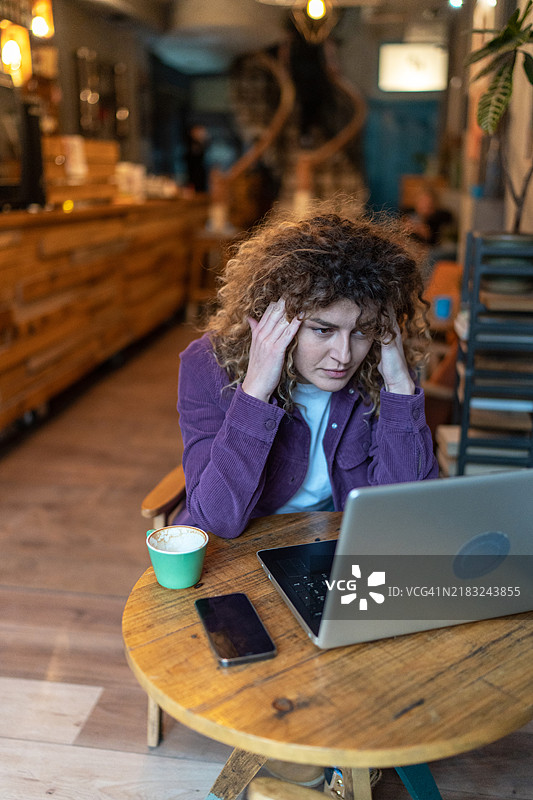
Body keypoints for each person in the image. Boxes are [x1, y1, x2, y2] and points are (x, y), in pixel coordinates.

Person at [174, 204, 439, 540]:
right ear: (276, 317)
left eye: (361, 330)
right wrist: (255, 392)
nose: (344, 356)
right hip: (240, 550)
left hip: (332, 545)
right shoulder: (207, 365)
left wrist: (400, 386)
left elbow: (405, 517)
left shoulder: (383, 365)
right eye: (323, 330)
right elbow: (218, 520)